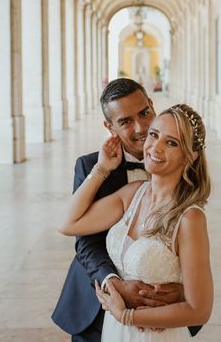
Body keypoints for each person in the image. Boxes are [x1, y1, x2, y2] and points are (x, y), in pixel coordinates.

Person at [52, 79, 194, 341]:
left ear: (153, 106)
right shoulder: (91, 166)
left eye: (144, 113)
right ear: (110, 127)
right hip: (99, 303)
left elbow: (190, 241)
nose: (141, 128)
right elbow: (86, 243)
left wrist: (184, 290)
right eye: (126, 121)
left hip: (162, 309)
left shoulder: (183, 162)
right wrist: (114, 284)